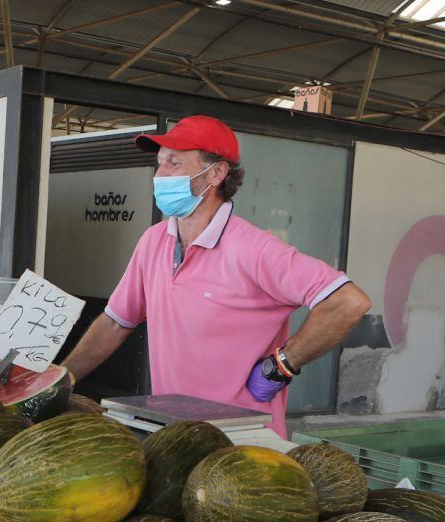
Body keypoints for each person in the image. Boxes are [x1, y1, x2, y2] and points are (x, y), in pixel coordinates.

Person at [62, 116, 370, 439]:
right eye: (159, 164)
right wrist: (62, 379)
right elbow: (115, 322)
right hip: (175, 437)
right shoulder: (152, 243)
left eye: (174, 163)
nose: (160, 175)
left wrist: (282, 364)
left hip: (242, 448)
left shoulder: (253, 249)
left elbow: (347, 302)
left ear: (216, 173)